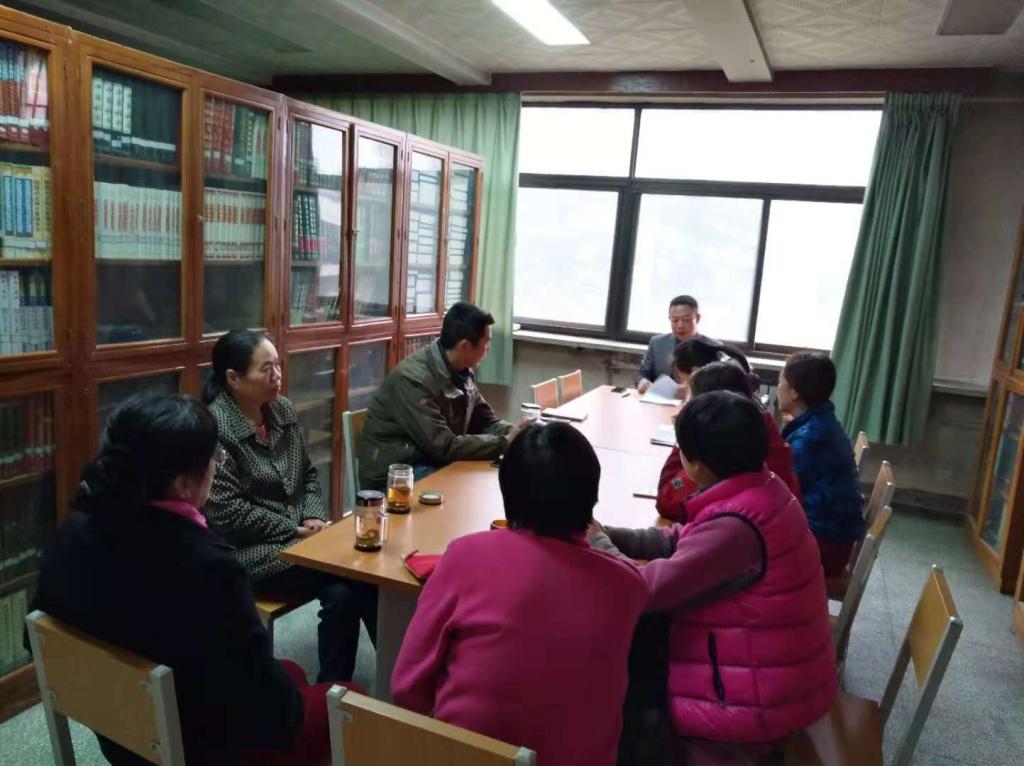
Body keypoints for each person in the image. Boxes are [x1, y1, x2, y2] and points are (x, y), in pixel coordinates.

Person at [30, 395, 349, 766]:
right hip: (198, 747)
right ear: (182, 484)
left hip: (121, 735)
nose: (217, 466)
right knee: (347, 699)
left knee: (292, 672)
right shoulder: (209, 568)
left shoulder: (70, 532)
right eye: (216, 458)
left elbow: (36, 641)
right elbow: (280, 717)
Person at [589, 392, 836, 761]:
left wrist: (597, 543)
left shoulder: (736, 527)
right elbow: (684, 539)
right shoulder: (762, 489)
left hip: (754, 701)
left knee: (621, 650)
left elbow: (643, 590)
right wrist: (610, 533)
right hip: (778, 674)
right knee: (638, 644)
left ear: (699, 466)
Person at [391, 422, 647, 766]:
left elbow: (407, 688)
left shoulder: (466, 556)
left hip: (467, 756)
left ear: (508, 492)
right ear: (591, 497)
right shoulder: (627, 586)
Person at [202, 330, 377, 683]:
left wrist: (312, 515)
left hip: (301, 538)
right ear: (233, 378)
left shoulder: (281, 409)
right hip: (248, 551)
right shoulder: (215, 427)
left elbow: (308, 474)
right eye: (266, 369)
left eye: (278, 365)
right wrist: (293, 528)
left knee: (344, 592)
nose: (277, 375)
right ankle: (396, 677)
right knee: (358, 571)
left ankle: (333, 688)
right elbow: (226, 511)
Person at [358, 302, 521, 489]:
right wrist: (504, 443)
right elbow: (443, 447)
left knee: (489, 478)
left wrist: (517, 434)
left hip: (430, 461)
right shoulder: (413, 380)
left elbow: (485, 421)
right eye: (486, 343)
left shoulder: (461, 372)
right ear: (465, 346)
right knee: (469, 487)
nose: (488, 349)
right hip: (397, 474)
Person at [657, 361, 801, 522]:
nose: (685, 408)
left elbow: (668, 501)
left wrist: (683, 437)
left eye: (689, 403)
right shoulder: (759, 431)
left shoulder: (727, 446)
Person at [778, 352, 865, 577]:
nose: (778, 388)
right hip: (833, 535)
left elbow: (781, 491)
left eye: (781, 381)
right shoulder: (820, 421)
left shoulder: (810, 438)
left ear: (794, 392)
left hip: (824, 544)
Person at [636, 295, 703, 394]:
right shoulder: (657, 343)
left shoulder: (711, 347)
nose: (680, 325)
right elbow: (642, 374)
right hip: (660, 399)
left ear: (697, 318)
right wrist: (642, 382)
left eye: (685, 319)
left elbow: (717, 387)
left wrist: (691, 390)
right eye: (674, 320)